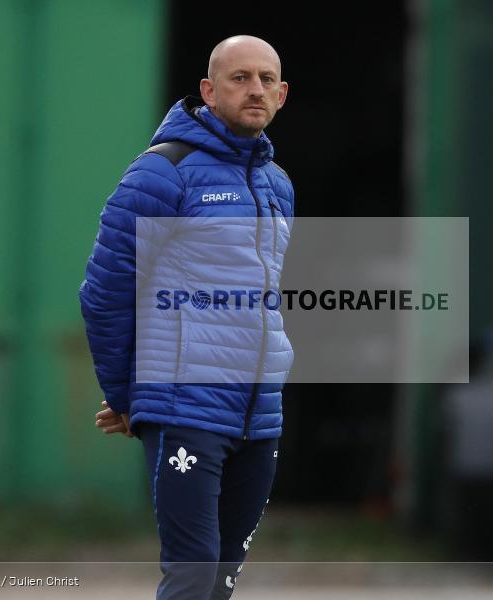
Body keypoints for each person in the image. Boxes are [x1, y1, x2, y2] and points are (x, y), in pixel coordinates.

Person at [79, 35, 293, 599]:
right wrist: (125, 394)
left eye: (266, 80)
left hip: (259, 415)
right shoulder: (162, 172)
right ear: (209, 91)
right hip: (185, 406)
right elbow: (106, 291)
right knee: (193, 573)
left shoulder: (278, 185)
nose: (255, 89)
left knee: (221, 579)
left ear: (281, 95)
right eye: (239, 78)